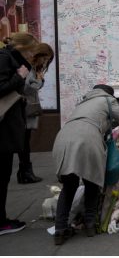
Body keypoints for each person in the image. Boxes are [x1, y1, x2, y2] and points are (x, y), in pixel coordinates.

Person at [52, 84, 119, 245]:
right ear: (110, 94)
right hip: (87, 139)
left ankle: (59, 229)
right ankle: (90, 225)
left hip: (62, 139)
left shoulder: (83, 102)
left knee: (69, 186)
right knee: (92, 182)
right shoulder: (107, 99)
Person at [0, 33, 39, 235]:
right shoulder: (5, 58)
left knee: (4, 174)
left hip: (8, 126)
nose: (33, 54)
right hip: (3, 127)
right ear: (22, 47)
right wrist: (20, 76)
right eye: (31, 49)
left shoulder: (12, 58)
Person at [17, 42, 55, 184]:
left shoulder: (31, 68)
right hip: (24, 107)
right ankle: (25, 172)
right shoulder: (28, 68)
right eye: (45, 59)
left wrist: (39, 80)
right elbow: (27, 87)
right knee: (24, 141)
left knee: (25, 141)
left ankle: (25, 171)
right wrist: (39, 81)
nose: (45, 62)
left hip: (26, 107)